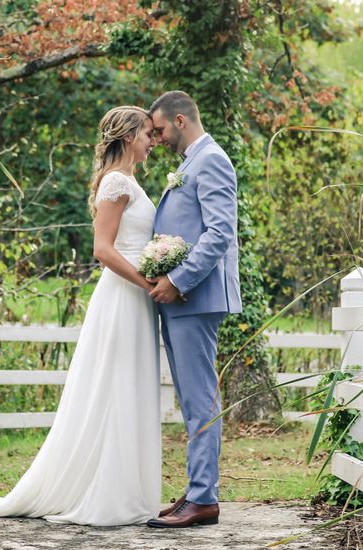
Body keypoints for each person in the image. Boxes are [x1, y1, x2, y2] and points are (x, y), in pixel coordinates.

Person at [0, 106, 161, 526]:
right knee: (116, 385)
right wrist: (147, 282)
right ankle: (107, 494)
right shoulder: (118, 181)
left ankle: (127, 489)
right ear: (126, 136)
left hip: (136, 295)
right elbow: (102, 250)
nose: (152, 140)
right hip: (124, 294)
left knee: (130, 384)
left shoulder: (132, 181)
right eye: (146, 133)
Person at [145, 91, 242, 529]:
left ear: (180, 120)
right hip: (184, 299)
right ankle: (197, 487)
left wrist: (177, 280)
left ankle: (204, 499)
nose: (157, 137)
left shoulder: (212, 160)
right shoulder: (191, 162)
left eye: (160, 129)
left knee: (200, 399)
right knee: (190, 398)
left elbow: (219, 234)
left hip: (196, 297)